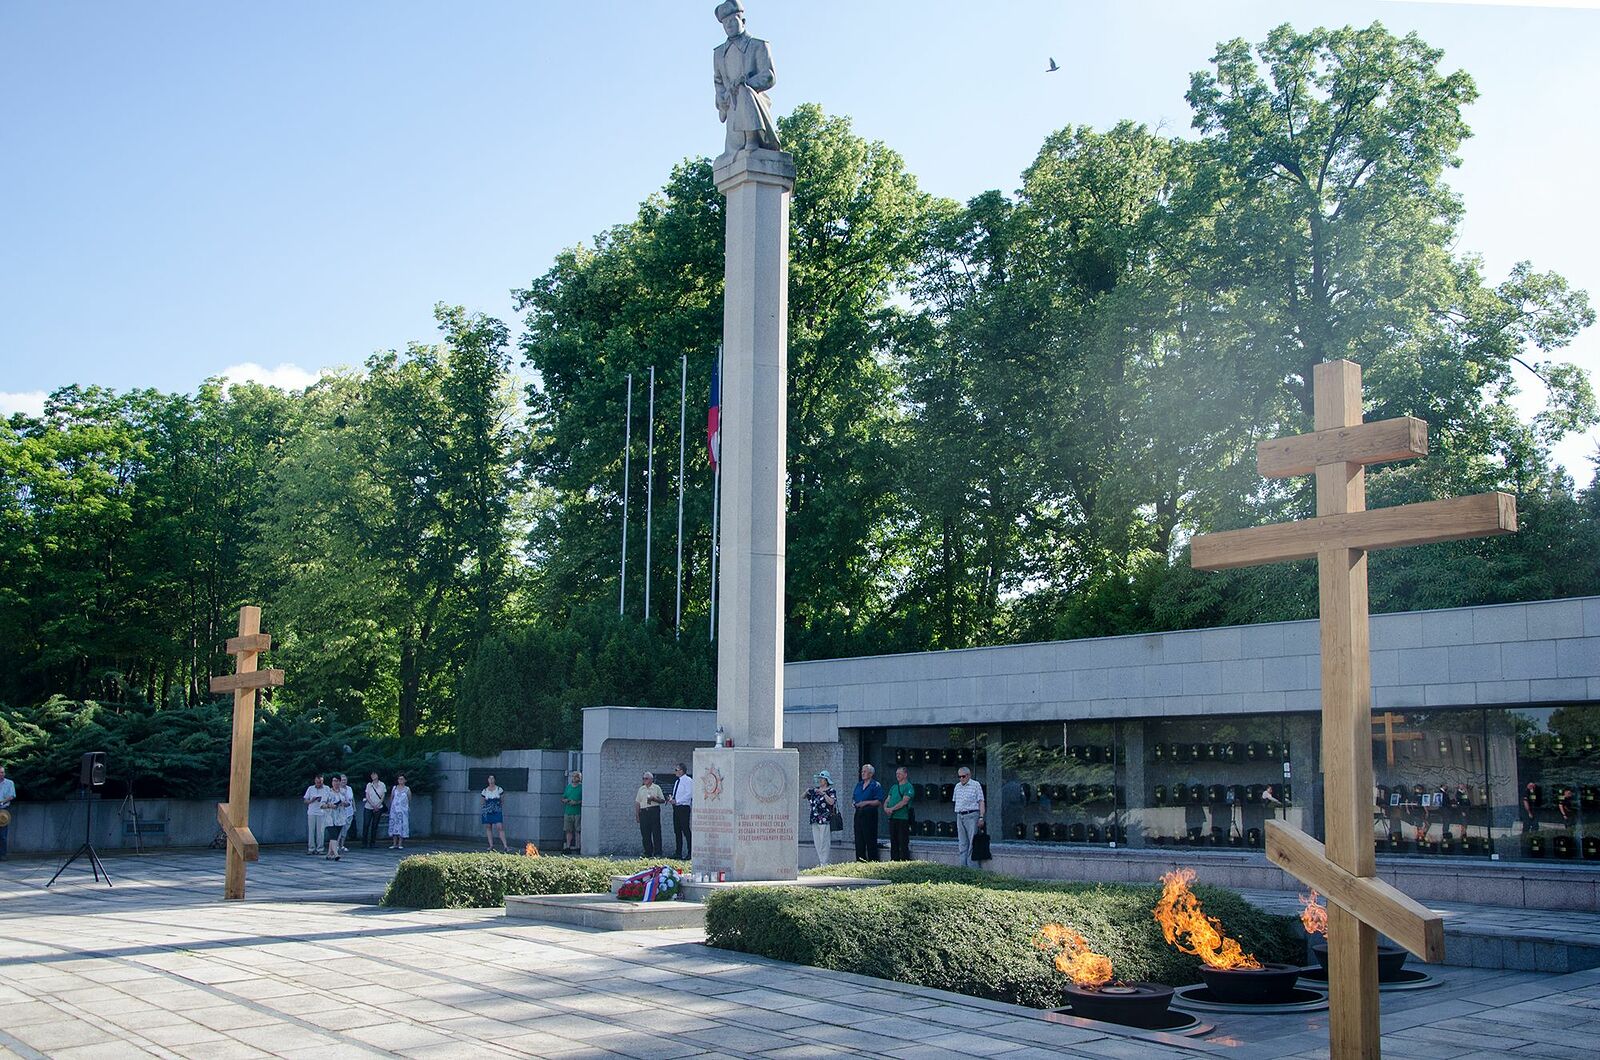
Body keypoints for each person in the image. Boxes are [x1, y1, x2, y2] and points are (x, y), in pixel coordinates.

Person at [712, 0, 781, 160]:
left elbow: (769, 76)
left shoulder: (758, 45)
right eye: (725, 23)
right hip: (732, 105)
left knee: (744, 91)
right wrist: (721, 98)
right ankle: (735, 148)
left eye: (732, 20)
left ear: (742, 21)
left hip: (753, 101)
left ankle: (753, 139)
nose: (728, 25)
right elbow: (718, 82)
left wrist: (746, 83)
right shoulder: (718, 53)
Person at [953, 765, 986, 869]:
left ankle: (973, 869)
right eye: (959, 776)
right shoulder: (957, 786)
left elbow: (981, 801)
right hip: (960, 815)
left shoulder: (976, 785)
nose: (961, 778)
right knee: (962, 843)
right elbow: (955, 801)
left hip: (972, 815)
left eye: (963, 776)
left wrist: (981, 817)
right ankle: (963, 868)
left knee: (972, 842)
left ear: (969, 775)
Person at [803, 771, 838, 866]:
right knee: (817, 842)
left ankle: (824, 863)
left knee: (824, 841)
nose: (820, 780)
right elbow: (803, 796)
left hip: (825, 819)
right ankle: (821, 862)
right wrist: (807, 791)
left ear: (826, 780)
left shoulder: (830, 791)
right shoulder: (815, 791)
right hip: (814, 819)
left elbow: (831, 802)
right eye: (819, 779)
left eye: (821, 779)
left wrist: (823, 794)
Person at [852, 764, 884, 862]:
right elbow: (854, 797)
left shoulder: (875, 785)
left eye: (864, 772)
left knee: (870, 838)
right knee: (859, 839)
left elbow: (878, 801)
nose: (862, 773)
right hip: (859, 813)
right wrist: (854, 803)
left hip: (870, 813)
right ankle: (860, 861)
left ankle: (873, 861)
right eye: (862, 771)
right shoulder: (859, 784)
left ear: (870, 773)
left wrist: (865, 803)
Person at [885, 765, 916, 862]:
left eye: (899, 773)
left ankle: (904, 861)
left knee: (903, 841)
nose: (897, 775)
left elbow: (904, 801)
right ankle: (894, 860)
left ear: (905, 774)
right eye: (896, 774)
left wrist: (892, 809)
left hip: (903, 818)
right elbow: (887, 799)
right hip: (893, 818)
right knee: (893, 841)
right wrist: (886, 808)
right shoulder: (894, 787)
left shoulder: (909, 787)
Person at [635, 771, 666, 857]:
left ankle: (658, 852)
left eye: (646, 778)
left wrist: (654, 799)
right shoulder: (641, 789)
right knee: (645, 833)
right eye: (643, 778)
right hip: (644, 812)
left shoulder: (656, 788)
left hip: (654, 811)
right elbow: (637, 802)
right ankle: (647, 852)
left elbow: (663, 800)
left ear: (651, 779)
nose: (644, 780)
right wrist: (637, 815)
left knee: (656, 832)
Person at [323, 776, 352, 861]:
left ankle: (329, 853)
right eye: (334, 781)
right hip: (329, 817)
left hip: (340, 817)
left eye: (338, 781)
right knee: (333, 835)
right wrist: (329, 805)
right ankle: (336, 854)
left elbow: (348, 803)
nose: (336, 783)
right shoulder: (328, 792)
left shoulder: (343, 792)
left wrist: (344, 803)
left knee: (335, 836)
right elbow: (322, 804)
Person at [669, 763, 694, 859]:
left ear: (681, 771)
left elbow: (689, 794)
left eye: (676, 769)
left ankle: (690, 852)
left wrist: (678, 801)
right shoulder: (677, 781)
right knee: (677, 830)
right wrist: (672, 799)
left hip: (683, 807)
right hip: (676, 807)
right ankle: (678, 852)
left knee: (685, 829)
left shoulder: (688, 780)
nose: (675, 771)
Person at [482, 774, 509, 852]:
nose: (491, 780)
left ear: (494, 780)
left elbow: (502, 798)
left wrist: (498, 805)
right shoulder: (485, 790)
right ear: (487, 780)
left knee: (499, 826)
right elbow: (483, 800)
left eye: (492, 778)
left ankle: (505, 846)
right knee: (488, 827)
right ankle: (491, 845)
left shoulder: (499, 789)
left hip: (496, 809)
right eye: (489, 778)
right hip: (487, 810)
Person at [303, 773, 328, 855]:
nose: (319, 784)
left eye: (320, 782)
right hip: (312, 812)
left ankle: (320, 848)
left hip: (321, 812)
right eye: (317, 782)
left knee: (320, 831)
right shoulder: (310, 788)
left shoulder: (326, 788)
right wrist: (312, 800)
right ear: (315, 781)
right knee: (311, 830)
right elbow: (305, 800)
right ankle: (311, 848)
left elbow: (330, 798)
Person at [361, 771, 387, 849]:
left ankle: (373, 842)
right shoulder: (369, 785)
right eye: (372, 774)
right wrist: (372, 805)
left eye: (374, 774)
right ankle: (364, 843)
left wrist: (378, 805)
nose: (373, 776)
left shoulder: (382, 785)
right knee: (366, 824)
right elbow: (367, 796)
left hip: (379, 807)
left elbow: (383, 796)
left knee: (375, 825)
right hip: (368, 807)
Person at [388, 774, 411, 849]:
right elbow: (392, 798)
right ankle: (394, 843)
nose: (400, 780)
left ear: (405, 780)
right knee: (394, 825)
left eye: (402, 779)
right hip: (394, 810)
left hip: (403, 811)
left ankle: (400, 843)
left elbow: (409, 799)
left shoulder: (407, 789)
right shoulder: (394, 788)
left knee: (402, 825)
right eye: (399, 779)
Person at [562, 770, 583, 853]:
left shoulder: (582, 787)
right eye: (573, 776)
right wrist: (566, 800)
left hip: (577, 812)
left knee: (578, 830)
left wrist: (577, 802)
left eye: (576, 776)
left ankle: (578, 847)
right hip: (568, 812)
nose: (574, 778)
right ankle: (568, 847)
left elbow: (585, 800)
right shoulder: (568, 787)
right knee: (568, 830)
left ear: (579, 778)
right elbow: (563, 798)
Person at [0, 764, 15, 861]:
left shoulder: (9, 783)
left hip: (3, 810)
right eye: (0, 772)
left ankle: (2, 854)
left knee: (3, 835)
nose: (1, 774)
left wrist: (2, 802)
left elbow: (12, 795)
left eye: (2, 772)